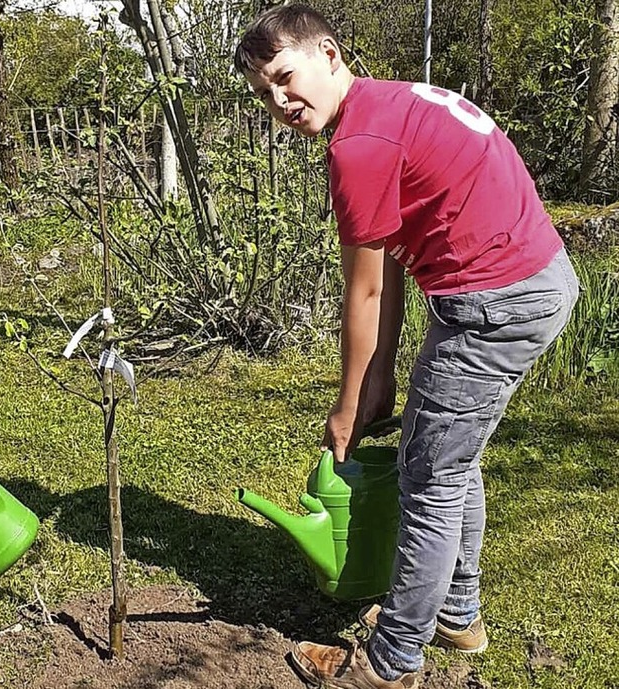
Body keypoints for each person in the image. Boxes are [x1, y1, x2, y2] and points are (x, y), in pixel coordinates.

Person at [234, 4, 579, 689]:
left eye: (284, 76)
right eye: (264, 92)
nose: (278, 100)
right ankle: (457, 611)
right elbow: (389, 262)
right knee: (452, 452)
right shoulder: (388, 104)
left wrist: (348, 404)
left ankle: (389, 663)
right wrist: (380, 377)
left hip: (495, 302)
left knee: (432, 476)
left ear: (328, 54)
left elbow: (362, 294)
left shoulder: (358, 146)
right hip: (536, 279)